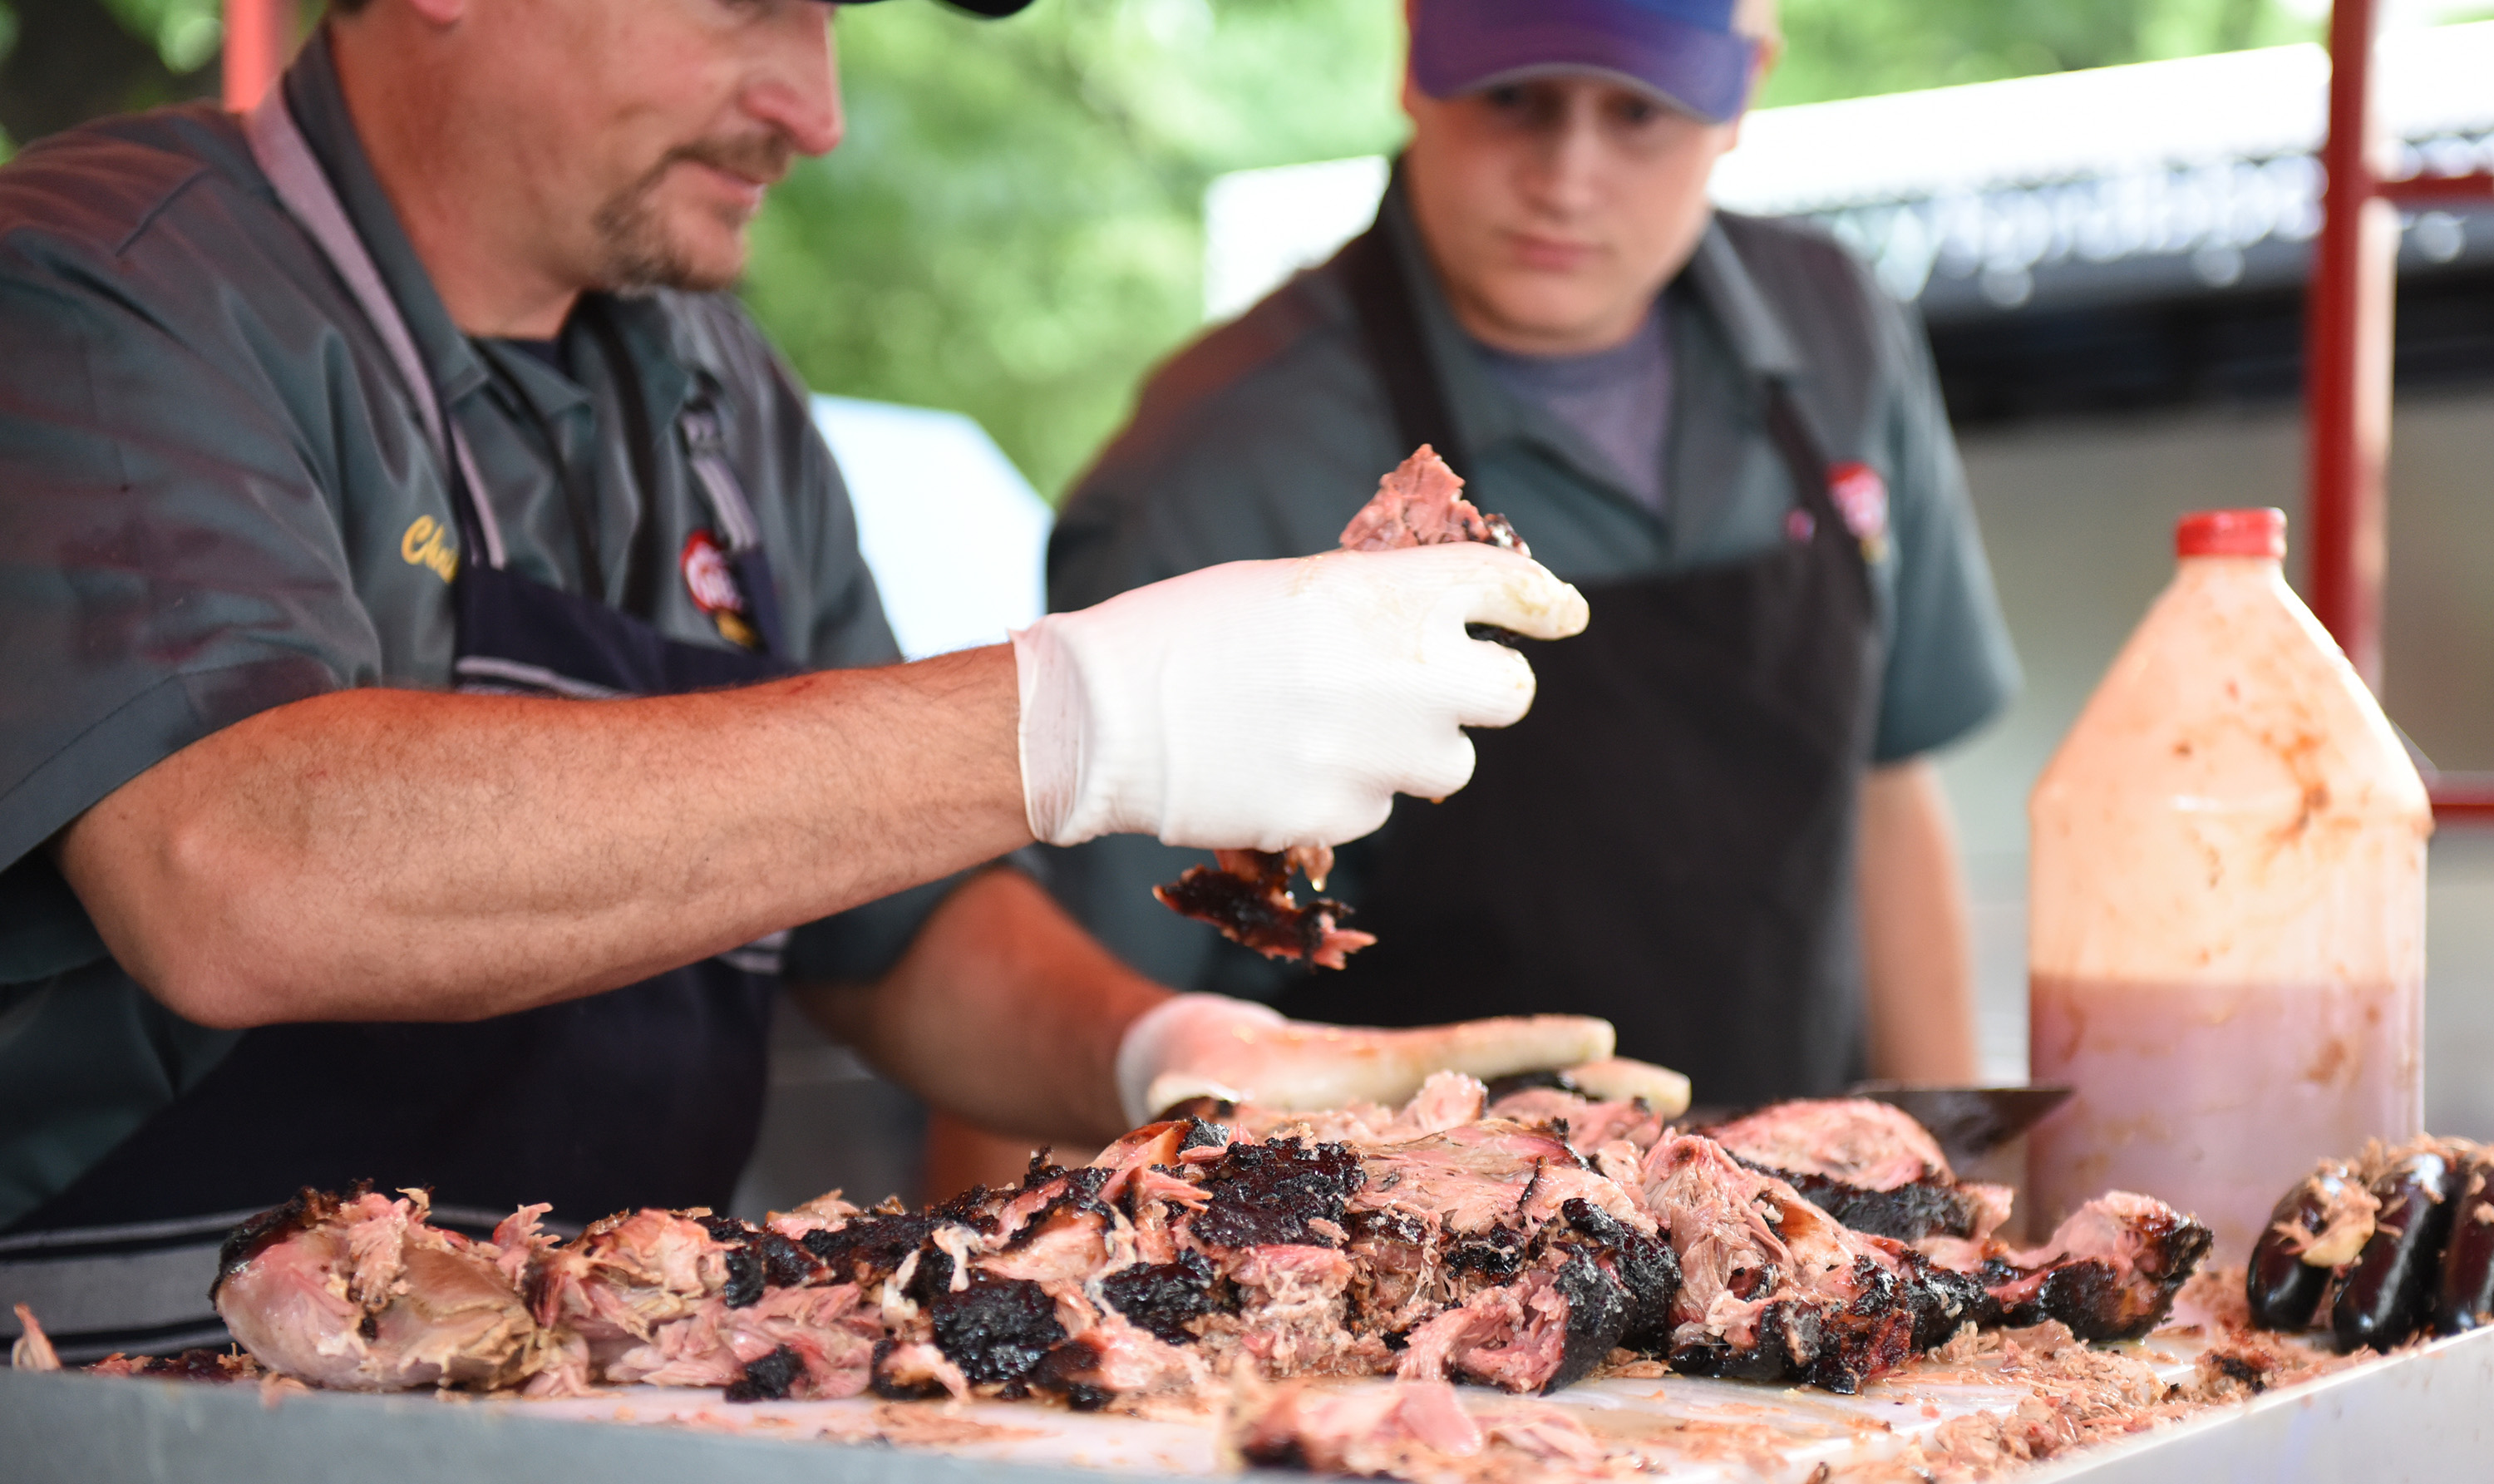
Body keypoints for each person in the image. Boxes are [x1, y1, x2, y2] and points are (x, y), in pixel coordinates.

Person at [0, 0, 1596, 1362]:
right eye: (753, 4)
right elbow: (237, 866)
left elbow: (881, 927)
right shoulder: (99, 293)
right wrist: (1072, 711)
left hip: (595, 1391)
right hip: (136, 1395)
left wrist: (1159, 1049)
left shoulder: (722, 393)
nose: (816, 109)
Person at [1043, 0, 2021, 1107]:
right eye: (1515, 100)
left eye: (1639, 112)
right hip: (1412, 1252)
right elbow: (1066, 1009)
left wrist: (1955, 1175)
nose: (1567, 175)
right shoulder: (1222, 464)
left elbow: (1888, 791)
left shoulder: (1842, 331)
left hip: (1797, 1232)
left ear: (1747, 85)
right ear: (1412, 57)